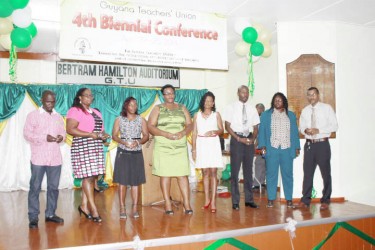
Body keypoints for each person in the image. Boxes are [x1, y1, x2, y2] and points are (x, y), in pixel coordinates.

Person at [147, 84, 193, 215]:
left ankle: (187, 203)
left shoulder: (182, 107)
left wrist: (183, 133)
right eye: (167, 93)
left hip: (179, 145)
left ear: (174, 94)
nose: (170, 95)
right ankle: (167, 203)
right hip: (163, 145)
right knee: (165, 174)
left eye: (172, 93)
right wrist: (165, 134)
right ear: (163, 95)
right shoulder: (158, 108)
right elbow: (150, 126)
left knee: (182, 175)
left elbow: (190, 124)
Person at [66, 88, 110, 222]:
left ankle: (84, 206)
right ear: (80, 97)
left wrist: (103, 136)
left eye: (91, 95)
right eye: (87, 95)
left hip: (95, 147)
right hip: (83, 146)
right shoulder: (75, 110)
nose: (90, 98)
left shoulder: (96, 112)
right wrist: (89, 134)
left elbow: (100, 130)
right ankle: (93, 208)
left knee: (91, 178)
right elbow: (70, 129)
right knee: (88, 178)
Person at [24, 90, 66, 229]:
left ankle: (50, 214)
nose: (50, 104)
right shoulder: (33, 116)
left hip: (55, 158)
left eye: (53, 101)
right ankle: (33, 217)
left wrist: (61, 137)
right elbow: (27, 134)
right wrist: (44, 138)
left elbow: (63, 134)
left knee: (53, 188)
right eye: (48, 101)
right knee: (35, 187)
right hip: (38, 158)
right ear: (42, 100)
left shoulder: (58, 117)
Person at [296, 87, 338, 210]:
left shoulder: (327, 108)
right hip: (309, 144)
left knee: (325, 173)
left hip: (322, 144)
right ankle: (305, 200)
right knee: (308, 173)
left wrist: (318, 130)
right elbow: (301, 127)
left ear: (318, 95)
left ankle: (326, 199)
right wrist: (305, 130)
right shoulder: (305, 110)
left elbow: (334, 126)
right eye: (308, 95)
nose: (311, 97)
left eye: (313, 94)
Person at [257, 93, 301, 208]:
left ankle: (289, 199)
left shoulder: (290, 115)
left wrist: (296, 147)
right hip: (272, 148)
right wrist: (262, 147)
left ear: (284, 102)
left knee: (288, 175)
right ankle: (271, 199)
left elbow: (295, 132)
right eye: (275, 100)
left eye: (280, 100)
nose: (277, 102)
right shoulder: (266, 115)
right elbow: (262, 132)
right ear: (273, 102)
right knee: (271, 174)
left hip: (287, 149)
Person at [223, 85, 260, 210]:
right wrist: (239, 138)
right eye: (242, 92)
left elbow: (256, 127)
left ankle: (249, 200)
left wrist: (252, 139)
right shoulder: (230, 107)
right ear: (238, 93)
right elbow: (227, 126)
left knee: (249, 171)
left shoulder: (252, 109)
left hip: (248, 140)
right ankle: (235, 201)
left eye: (247, 92)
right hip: (236, 139)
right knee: (235, 172)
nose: (245, 94)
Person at [112, 97, 149, 219]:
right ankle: (122, 207)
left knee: (135, 182)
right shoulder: (119, 119)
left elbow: (146, 136)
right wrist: (123, 142)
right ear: (126, 106)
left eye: (135, 105)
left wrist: (138, 142)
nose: (134, 107)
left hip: (136, 153)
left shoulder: (141, 120)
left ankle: (134, 208)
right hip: (123, 152)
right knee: (122, 182)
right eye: (131, 105)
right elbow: (114, 136)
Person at [192, 91, 224, 213]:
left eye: (210, 101)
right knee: (205, 172)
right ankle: (206, 200)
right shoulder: (197, 115)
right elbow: (194, 132)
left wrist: (214, 131)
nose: (208, 103)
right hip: (201, 144)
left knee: (213, 173)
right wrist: (194, 149)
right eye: (206, 100)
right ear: (203, 102)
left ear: (213, 103)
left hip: (213, 143)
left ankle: (214, 202)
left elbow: (222, 129)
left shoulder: (216, 114)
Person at [253, 103, 266, 190]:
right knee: (264, 164)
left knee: (258, 163)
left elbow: (259, 135)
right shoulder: (261, 120)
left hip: (262, 146)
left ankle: (257, 184)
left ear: (261, 110)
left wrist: (254, 145)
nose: (255, 111)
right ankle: (261, 182)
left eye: (257, 109)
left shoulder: (261, 120)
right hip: (264, 146)